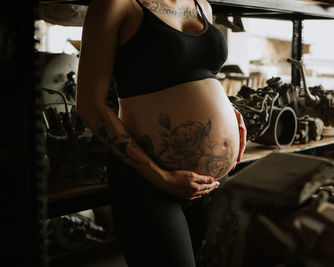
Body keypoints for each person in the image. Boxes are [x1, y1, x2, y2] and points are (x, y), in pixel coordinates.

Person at [76, 0, 246, 266]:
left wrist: (230, 110)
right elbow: (89, 104)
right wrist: (162, 177)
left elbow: (197, 73)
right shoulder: (116, 4)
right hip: (149, 181)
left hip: (212, 181)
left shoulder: (201, 4)